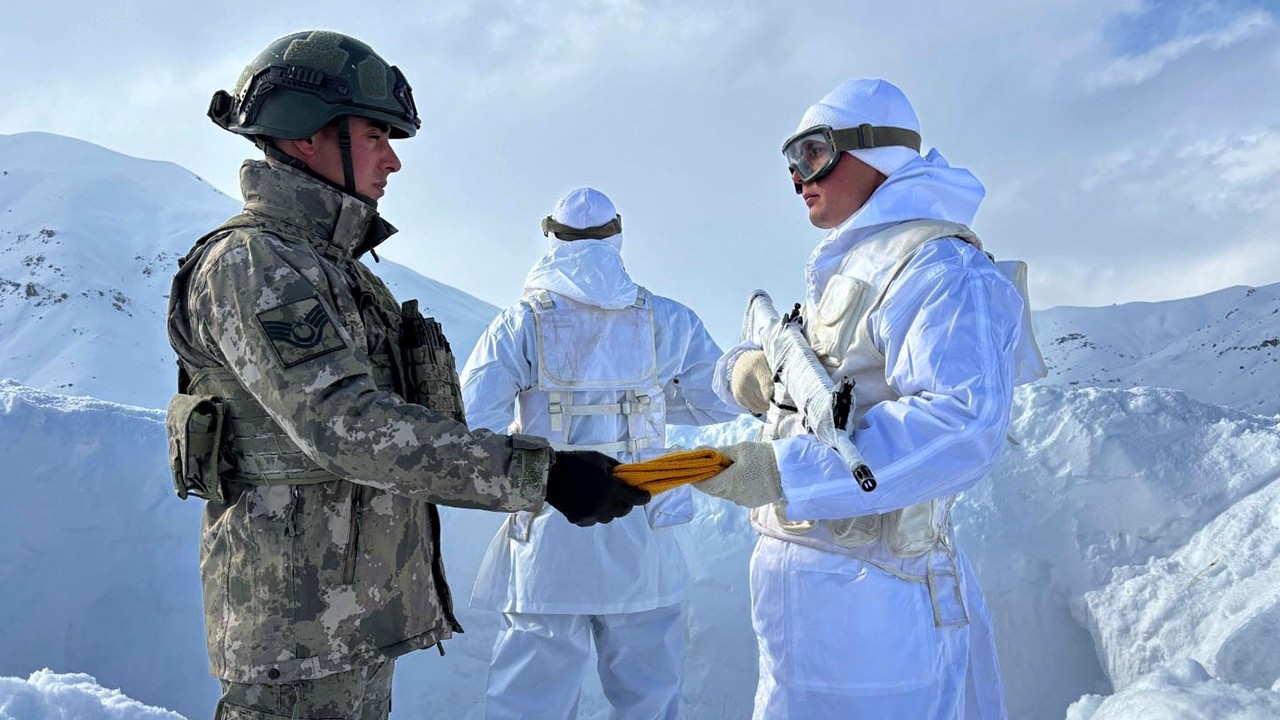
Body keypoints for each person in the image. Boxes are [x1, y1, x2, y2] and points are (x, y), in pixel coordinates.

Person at [165, 32, 647, 720]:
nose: (392, 160)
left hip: (349, 620)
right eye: (374, 136)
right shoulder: (255, 265)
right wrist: (542, 475)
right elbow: (346, 426)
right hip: (297, 634)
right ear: (307, 136)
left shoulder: (336, 269)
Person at [694, 79, 1044, 719]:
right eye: (791, 163)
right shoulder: (856, 264)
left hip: (877, 602)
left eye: (813, 154)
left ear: (876, 153)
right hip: (813, 598)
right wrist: (750, 376)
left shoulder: (938, 268)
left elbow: (961, 425)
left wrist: (784, 470)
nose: (799, 179)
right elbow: (823, 387)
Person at [460, 187, 739, 720]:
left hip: (549, 535)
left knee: (528, 703)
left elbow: (475, 424)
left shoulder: (520, 321)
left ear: (550, 238)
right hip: (641, 534)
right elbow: (719, 402)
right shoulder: (668, 319)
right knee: (648, 699)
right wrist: (650, 408)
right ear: (618, 236)